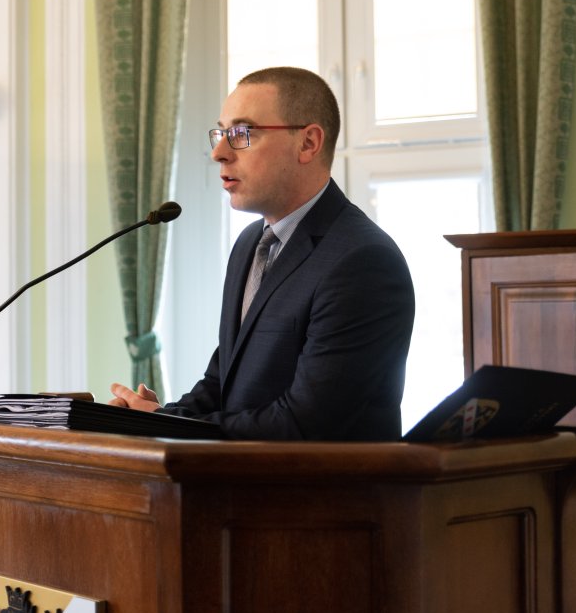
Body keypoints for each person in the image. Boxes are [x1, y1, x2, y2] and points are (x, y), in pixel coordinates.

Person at [110, 67, 415, 440]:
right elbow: (221, 383)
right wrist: (149, 419)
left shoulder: (362, 261)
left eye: (242, 133)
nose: (219, 153)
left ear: (308, 143)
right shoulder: (249, 243)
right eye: (221, 133)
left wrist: (167, 424)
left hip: (317, 479)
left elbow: (304, 424)